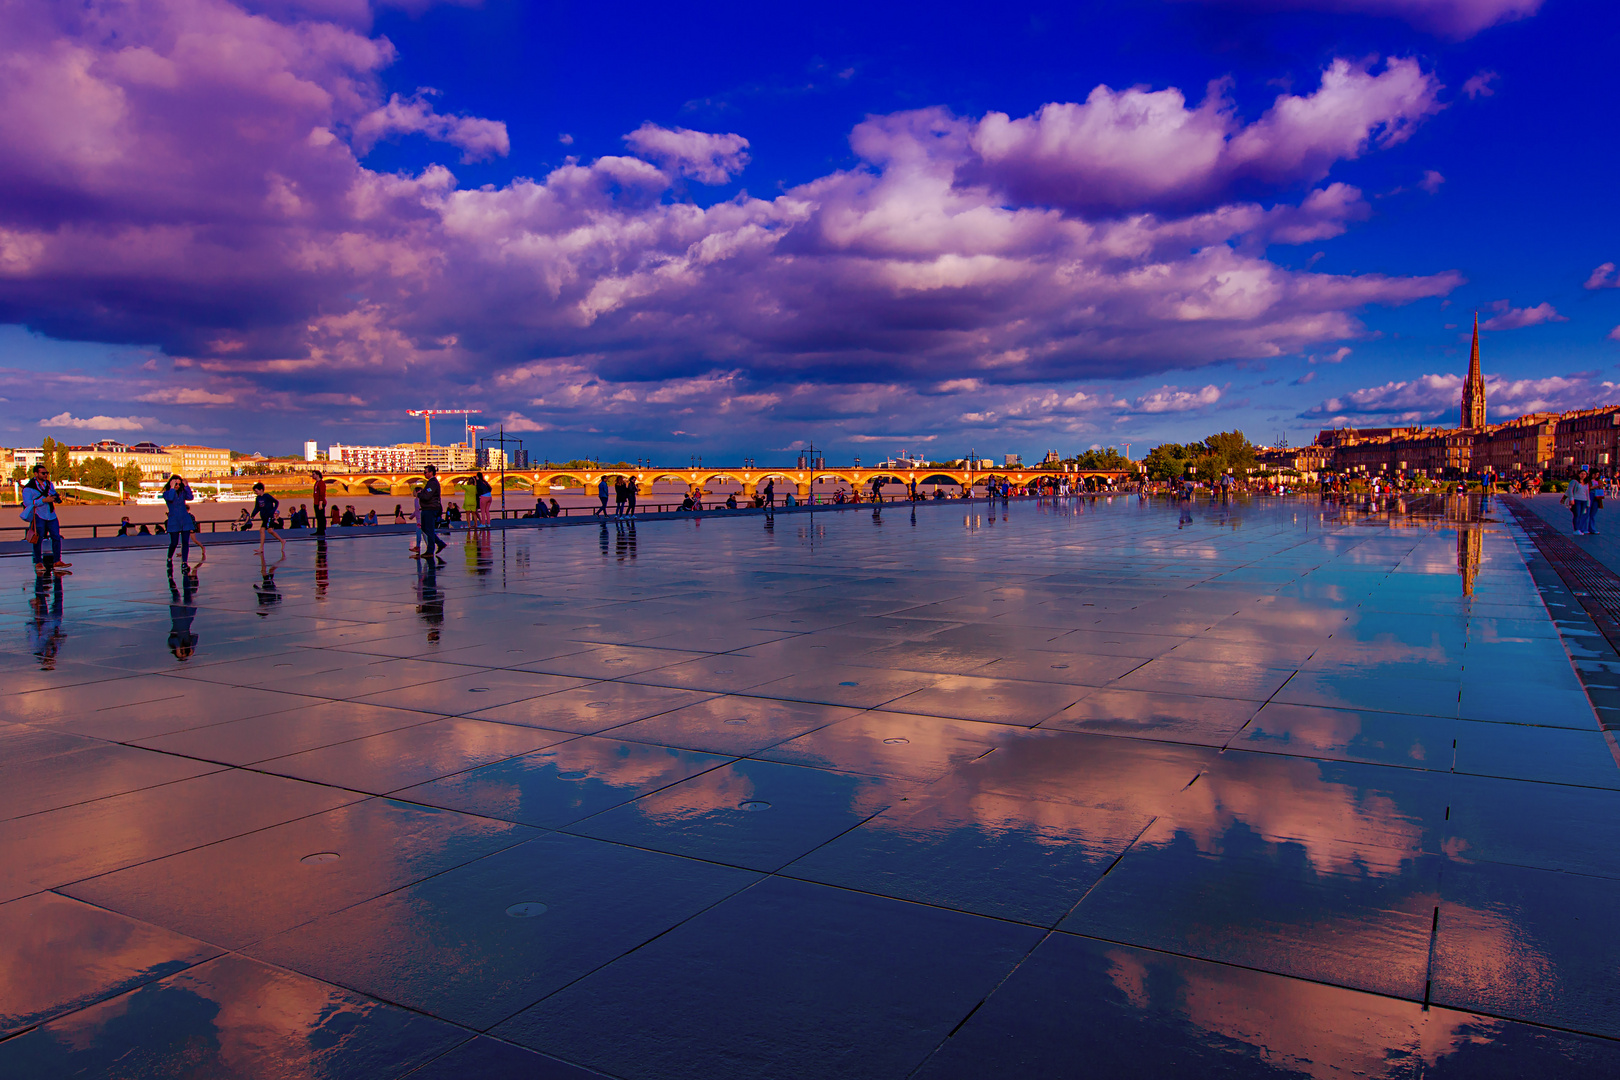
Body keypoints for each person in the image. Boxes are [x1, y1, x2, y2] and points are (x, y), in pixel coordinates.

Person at [21, 463, 70, 576]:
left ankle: (57, 561)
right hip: (39, 515)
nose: (45, 475)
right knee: (38, 539)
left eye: (46, 473)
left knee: (56, 537)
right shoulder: (29, 488)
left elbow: (52, 493)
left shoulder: (49, 484)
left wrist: (56, 498)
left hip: (51, 515)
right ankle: (38, 562)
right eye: (43, 473)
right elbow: (28, 503)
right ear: (36, 474)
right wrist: (43, 501)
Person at [162, 474, 206, 569]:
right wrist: (172, 488)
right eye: (175, 483)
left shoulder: (182, 493)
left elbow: (190, 497)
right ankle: (169, 557)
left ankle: (184, 562)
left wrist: (186, 486)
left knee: (185, 542)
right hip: (174, 520)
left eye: (178, 484)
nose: (177, 485)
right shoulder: (167, 493)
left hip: (185, 520)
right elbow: (170, 498)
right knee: (174, 542)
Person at [417, 464, 448, 562]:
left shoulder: (433, 483)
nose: (424, 474)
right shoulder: (430, 483)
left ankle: (430, 550)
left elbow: (427, 496)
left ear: (431, 473)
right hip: (428, 508)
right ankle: (439, 543)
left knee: (429, 529)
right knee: (425, 528)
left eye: (425, 472)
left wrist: (419, 494)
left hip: (430, 509)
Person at [250, 482, 284, 553]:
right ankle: (282, 541)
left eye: (256, 491)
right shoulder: (258, 498)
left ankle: (261, 548)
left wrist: (273, 511)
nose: (256, 493)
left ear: (261, 490)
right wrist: (253, 514)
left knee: (264, 530)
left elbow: (276, 502)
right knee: (268, 531)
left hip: (269, 516)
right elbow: (257, 508)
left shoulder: (267, 496)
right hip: (264, 517)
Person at [1564, 470, 1591, 535]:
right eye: (1581, 474)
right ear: (1578, 474)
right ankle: (1576, 529)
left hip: (1584, 500)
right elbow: (1570, 490)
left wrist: (1588, 502)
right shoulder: (1574, 482)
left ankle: (1579, 529)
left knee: (1581, 515)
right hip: (1576, 500)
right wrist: (1571, 499)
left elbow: (1587, 493)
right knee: (1577, 514)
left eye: (1584, 474)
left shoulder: (1586, 483)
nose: (1583, 475)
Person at [311, 470, 327, 537]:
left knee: (321, 517)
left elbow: (322, 493)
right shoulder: (316, 483)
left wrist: (320, 503)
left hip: (320, 503)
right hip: (316, 502)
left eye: (313, 474)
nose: (312, 476)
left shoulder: (321, 483)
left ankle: (321, 530)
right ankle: (319, 530)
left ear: (317, 475)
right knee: (318, 517)